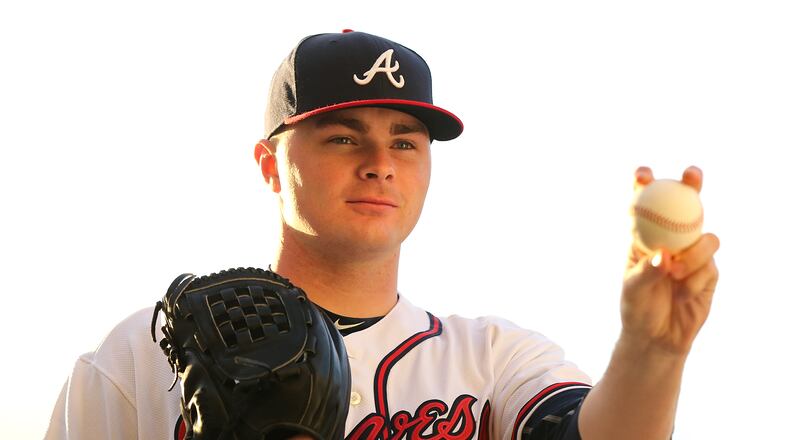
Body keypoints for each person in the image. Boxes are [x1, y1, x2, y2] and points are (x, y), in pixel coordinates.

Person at [45, 30, 720, 439]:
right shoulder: (141, 356)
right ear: (269, 164)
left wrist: (653, 352)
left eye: (405, 142)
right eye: (343, 137)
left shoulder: (492, 359)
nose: (380, 164)